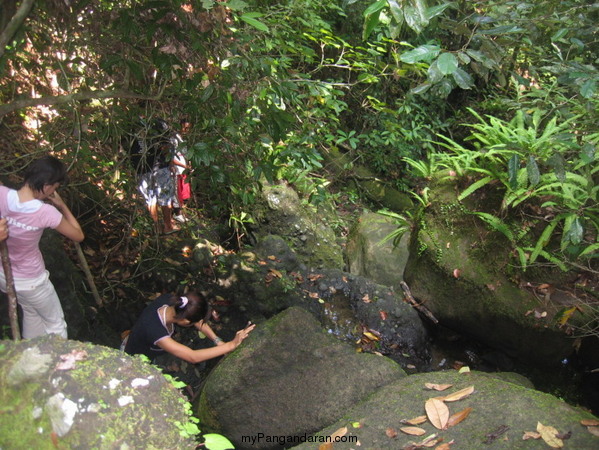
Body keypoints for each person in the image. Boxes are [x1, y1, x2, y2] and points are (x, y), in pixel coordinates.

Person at [0, 155, 84, 338]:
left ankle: (31, 360)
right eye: (55, 187)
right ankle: (59, 364)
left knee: (31, 313)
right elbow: (78, 235)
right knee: (56, 324)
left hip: (4, 277)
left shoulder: (2, 194)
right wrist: (62, 206)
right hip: (32, 281)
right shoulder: (46, 213)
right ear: (47, 186)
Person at [124, 291, 255, 363]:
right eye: (194, 322)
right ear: (185, 321)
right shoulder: (155, 331)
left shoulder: (172, 301)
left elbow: (194, 317)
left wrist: (217, 341)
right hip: (132, 359)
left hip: (142, 343)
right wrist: (231, 345)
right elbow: (192, 356)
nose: (197, 323)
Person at [130, 118, 180, 234]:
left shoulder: (131, 123)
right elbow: (165, 146)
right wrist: (170, 162)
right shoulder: (158, 123)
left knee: (150, 198)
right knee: (165, 197)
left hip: (142, 167)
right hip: (159, 166)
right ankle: (168, 226)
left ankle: (156, 227)